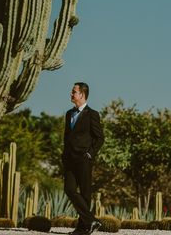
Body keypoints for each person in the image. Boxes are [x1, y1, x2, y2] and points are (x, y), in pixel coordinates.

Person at [63, 82, 104, 235]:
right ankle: (92, 220)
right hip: (69, 160)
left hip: (84, 159)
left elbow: (99, 138)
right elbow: (66, 137)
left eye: (74, 91)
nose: (71, 94)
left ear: (82, 94)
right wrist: (64, 156)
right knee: (69, 189)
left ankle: (83, 228)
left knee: (85, 194)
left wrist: (90, 154)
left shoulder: (92, 114)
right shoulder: (69, 114)